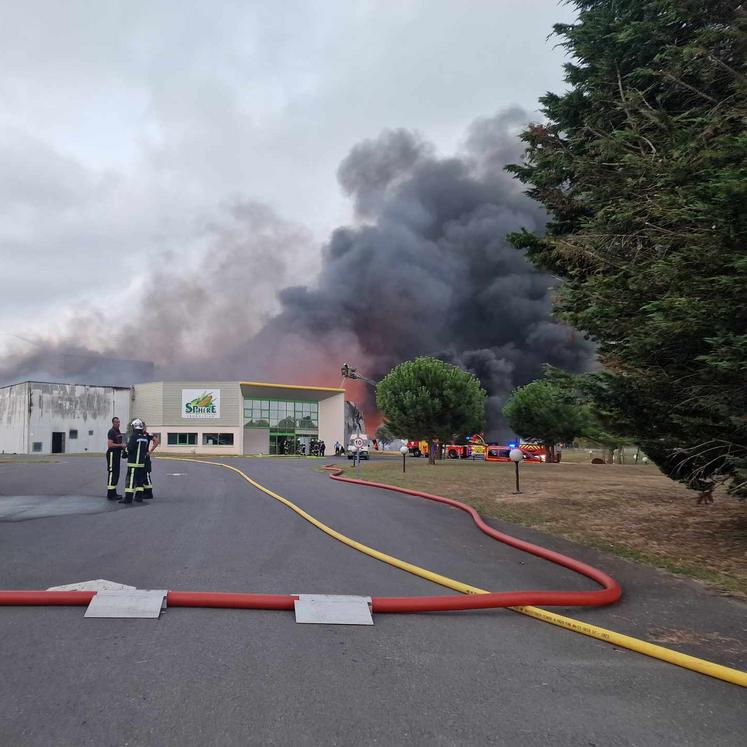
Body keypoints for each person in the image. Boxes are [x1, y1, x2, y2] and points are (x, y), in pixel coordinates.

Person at [120, 419, 150, 504]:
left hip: (133, 463)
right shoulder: (144, 438)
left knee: (130, 481)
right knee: (139, 481)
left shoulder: (134, 437)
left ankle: (128, 499)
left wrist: (124, 452)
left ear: (134, 427)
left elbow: (130, 448)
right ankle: (139, 497)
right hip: (141, 464)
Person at [106, 416, 127, 499]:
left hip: (117, 455)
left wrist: (123, 448)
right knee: (112, 473)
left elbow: (119, 442)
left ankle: (114, 493)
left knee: (116, 473)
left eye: (119, 422)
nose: (118, 423)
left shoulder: (118, 431)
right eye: (116, 422)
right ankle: (110, 494)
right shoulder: (111, 432)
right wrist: (121, 445)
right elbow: (110, 445)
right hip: (112, 454)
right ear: (113, 423)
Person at [141, 423, 159, 499]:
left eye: (144, 427)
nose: (143, 429)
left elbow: (157, 441)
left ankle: (149, 493)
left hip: (145, 457)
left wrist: (150, 451)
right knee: (141, 475)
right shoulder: (139, 435)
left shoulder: (147, 435)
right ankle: (143, 492)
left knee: (146, 474)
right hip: (140, 458)